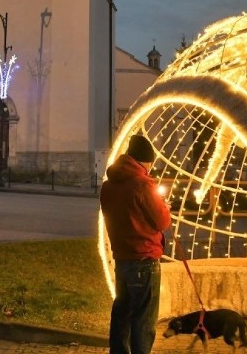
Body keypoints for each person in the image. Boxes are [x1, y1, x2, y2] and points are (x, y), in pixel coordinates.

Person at [100, 134, 171, 354]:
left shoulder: (109, 184)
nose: (151, 167)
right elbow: (162, 221)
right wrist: (164, 207)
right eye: (150, 162)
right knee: (143, 322)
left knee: (122, 315)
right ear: (144, 160)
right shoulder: (142, 183)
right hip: (145, 260)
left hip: (122, 259)